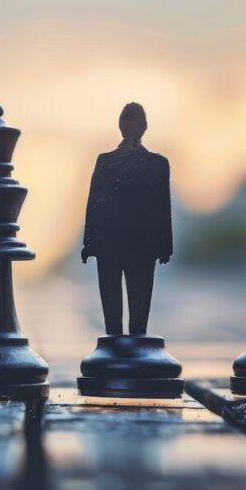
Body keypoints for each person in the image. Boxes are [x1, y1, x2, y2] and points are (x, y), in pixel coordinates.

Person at [81, 102, 173, 335]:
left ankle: (133, 341)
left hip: (138, 245)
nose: (131, 125)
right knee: (114, 310)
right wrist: (89, 242)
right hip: (114, 245)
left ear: (143, 126)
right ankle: (120, 342)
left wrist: (165, 246)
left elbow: (163, 206)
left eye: (135, 120)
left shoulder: (157, 164)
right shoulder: (106, 161)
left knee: (138, 307)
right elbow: (95, 202)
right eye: (128, 120)